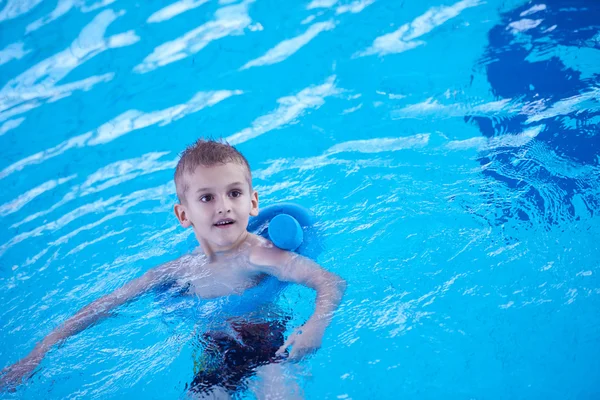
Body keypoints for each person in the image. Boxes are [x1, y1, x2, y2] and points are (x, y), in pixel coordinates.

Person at [1, 139, 346, 398]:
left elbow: (330, 282)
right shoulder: (177, 270)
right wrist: (41, 349)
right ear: (184, 215)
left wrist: (314, 326)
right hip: (214, 352)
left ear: (253, 202)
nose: (223, 206)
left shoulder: (258, 256)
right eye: (207, 198)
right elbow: (107, 303)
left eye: (235, 193)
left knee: (278, 391)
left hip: (268, 345)